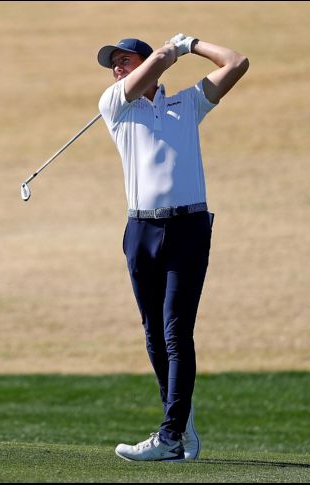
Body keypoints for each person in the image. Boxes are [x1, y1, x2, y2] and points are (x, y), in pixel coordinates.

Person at [96, 34, 249, 462]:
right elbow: (147, 70)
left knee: (176, 332)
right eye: (115, 64)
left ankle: (169, 435)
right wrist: (165, 53)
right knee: (152, 334)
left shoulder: (187, 104)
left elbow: (236, 61)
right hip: (140, 231)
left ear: (146, 62)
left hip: (188, 228)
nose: (117, 69)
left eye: (124, 61)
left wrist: (193, 43)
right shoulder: (114, 105)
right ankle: (179, 424)